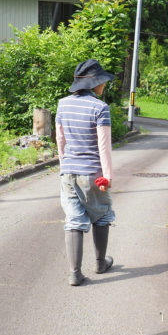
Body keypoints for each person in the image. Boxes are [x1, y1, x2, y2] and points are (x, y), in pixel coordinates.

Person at [55, 59, 116, 286]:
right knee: (101, 214)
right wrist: (107, 176)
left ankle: (74, 273)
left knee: (73, 219)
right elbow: (104, 146)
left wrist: (64, 166)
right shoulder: (100, 108)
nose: (104, 86)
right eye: (102, 82)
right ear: (94, 84)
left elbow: (60, 140)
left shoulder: (62, 104)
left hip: (68, 172)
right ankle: (100, 262)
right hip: (93, 173)